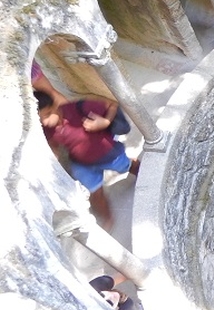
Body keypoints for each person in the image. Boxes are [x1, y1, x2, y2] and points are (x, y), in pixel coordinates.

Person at [35, 91, 139, 231]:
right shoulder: (47, 129)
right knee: (94, 193)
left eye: (47, 115)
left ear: (55, 106)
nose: (44, 122)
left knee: (127, 166)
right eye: (40, 119)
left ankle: (146, 174)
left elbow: (112, 105)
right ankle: (107, 218)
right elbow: (54, 145)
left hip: (108, 154)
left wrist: (105, 122)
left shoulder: (78, 108)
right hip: (82, 164)